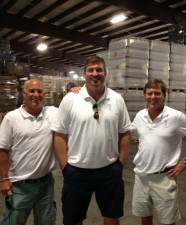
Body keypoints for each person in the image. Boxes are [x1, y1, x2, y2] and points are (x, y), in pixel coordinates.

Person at [51, 55, 131, 225]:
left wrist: (120, 164)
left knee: (112, 215)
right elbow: (59, 135)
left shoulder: (117, 99)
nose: (95, 74)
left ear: (105, 73)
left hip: (109, 171)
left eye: (99, 70)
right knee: (73, 218)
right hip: (76, 171)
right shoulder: (71, 99)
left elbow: (125, 133)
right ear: (84, 74)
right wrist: (65, 167)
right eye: (91, 70)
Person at [130, 79, 186, 225]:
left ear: (164, 95)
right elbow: (128, 132)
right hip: (141, 176)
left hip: (163, 178)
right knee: (144, 216)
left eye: (157, 93)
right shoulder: (140, 115)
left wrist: (185, 162)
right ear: (145, 95)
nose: (153, 97)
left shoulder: (176, 117)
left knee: (168, 220)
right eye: (149, 93)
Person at [0, 78, 57, 225]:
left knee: (47, 222)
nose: (36, 95)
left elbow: (71, 106)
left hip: (45, 185)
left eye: (39, 91)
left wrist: (75, 91)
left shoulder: (53, 113)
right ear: (24, 94)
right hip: (20, 186)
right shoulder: (12, 118)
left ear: (45, 93)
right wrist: (4, 179)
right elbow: (2, 150)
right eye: (31, 91)